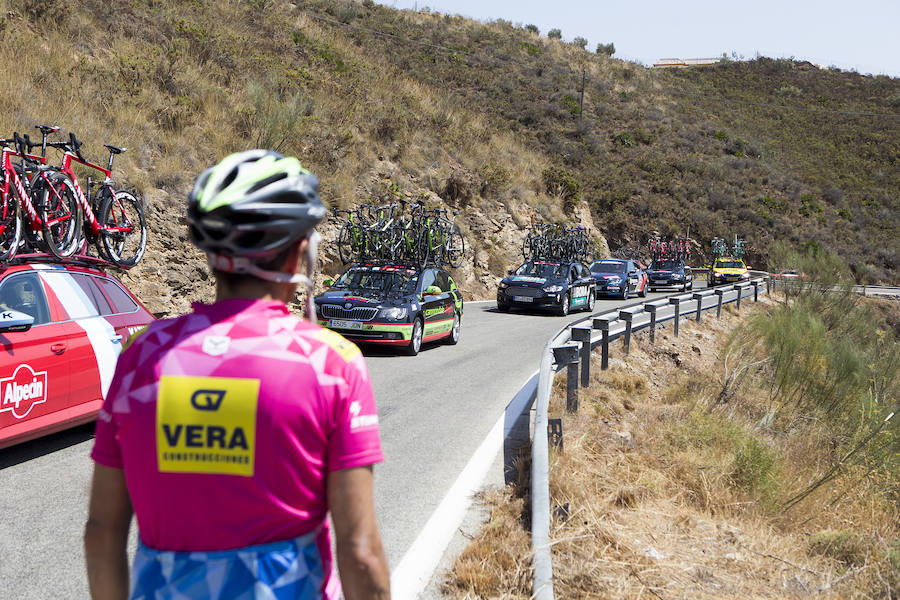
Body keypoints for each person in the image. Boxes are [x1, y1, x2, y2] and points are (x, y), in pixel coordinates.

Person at [84, 150, 390, 600]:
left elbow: (102, 532)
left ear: (211, 253)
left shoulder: (142, 355)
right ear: (297, 254)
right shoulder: (331, 363)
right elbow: (360, 551)